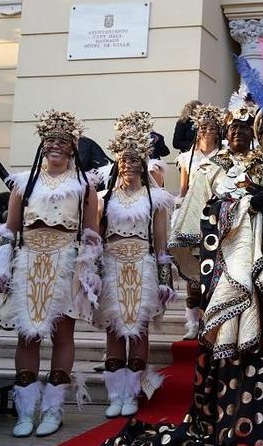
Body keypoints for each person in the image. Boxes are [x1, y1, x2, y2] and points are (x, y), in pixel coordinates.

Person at [108, 81, 263, 445]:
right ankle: (246, 424)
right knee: (246, 345)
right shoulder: (240, 171)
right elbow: (215, 210)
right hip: (247, 284)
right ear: (260, 135)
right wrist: (250, 205)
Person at [0, 110, 100, 438]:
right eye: (49, 139)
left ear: (72, 147)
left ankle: (53, 408)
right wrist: (1, 266)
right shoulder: (23, 183)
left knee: (62, 335)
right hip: (29, 263)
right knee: (28, 335)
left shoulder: (84, 186)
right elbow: (9, 231)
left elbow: (92, 234)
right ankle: (25, 412)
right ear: (42, 145)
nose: (55, 145)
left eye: (62, 141)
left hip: (66, 263)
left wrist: (88, 271)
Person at [92, 111, 175, 419]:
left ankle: (134, 392)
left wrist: (164, 279)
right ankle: (116, 393)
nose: (129, 165)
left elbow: (162, 244)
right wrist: (94, 274)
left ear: (144, 163)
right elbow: (96, 239)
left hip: (142, 265)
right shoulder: (103, 198)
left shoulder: (157, 200)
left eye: (135, 160)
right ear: (117, 163)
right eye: (124, 161)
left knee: (138, 330)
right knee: (114, 329)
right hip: (113, 264)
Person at [170, 103, 255, 340]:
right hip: (216, 247)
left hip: (252, 248)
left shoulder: (261, 166)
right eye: (234, 128)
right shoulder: (211, 168)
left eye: (244, 128)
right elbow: (195, 201)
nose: (238, 132)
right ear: (227, 134)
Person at [175, 105, 221, 198]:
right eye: (203, 127)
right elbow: (184, 190)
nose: (207, 131)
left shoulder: (224, 155)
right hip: (193, 204)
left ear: (217, 132)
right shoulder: (186, 158)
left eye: (212, 128)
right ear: (198, 131)